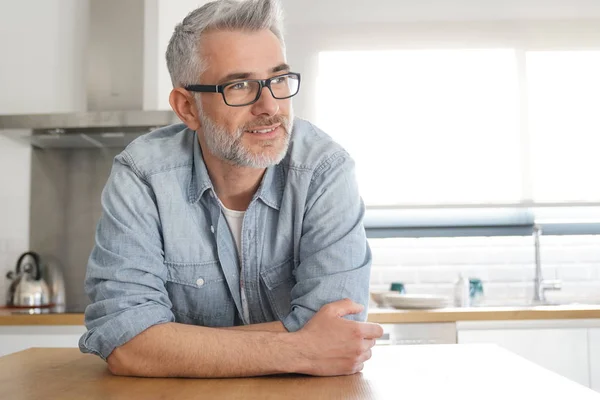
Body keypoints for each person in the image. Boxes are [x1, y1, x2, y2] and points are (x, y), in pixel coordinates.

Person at [79, 0, 382, 378]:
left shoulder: (324, 170)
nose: (270, 106)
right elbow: (126, 343)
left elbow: (340, 335)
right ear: (187, 107)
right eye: (239, 86)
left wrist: (176, 346)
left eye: (279, 79)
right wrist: (303, 349)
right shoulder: (142, 175)